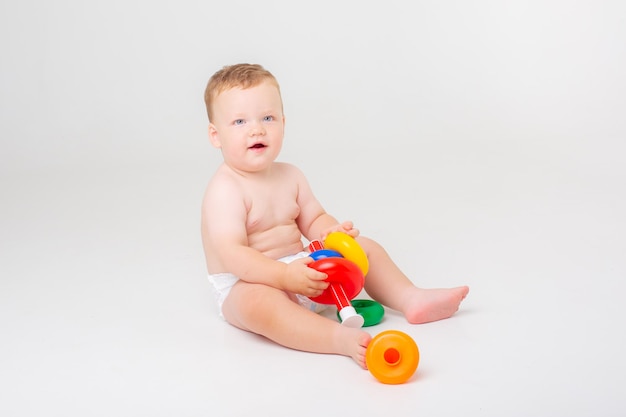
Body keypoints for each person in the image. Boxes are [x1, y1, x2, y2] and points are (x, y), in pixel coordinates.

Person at [201, 63, 469, 369]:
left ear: (283, 124)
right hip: (246, 282)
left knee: (365, 247)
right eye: (239, 121)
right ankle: (336, 339)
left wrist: (331, 232)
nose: (256, 129)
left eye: (268, 117)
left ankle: (410, 298)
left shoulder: (291, 175)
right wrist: (283, 277)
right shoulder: (225, 189)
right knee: (259, 304)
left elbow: (314, 218)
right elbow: (233, 254)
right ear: (215, 135)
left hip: (301, 269)